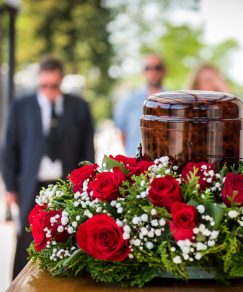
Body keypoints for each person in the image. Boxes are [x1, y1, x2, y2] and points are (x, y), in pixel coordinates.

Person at [3, 56, 95, 278]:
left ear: (61, 82)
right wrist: (10, 187)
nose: (49, 91)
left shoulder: (79, 107)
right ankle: (20, 287)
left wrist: (87, 184)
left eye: (54, 86)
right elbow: (9, 149)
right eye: (44, 86)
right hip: (31, 185)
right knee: (27, 237)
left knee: (66, 235)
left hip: (65, 184)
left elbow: (87, 150)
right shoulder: (21, 108)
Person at [113, 53, 166, 156]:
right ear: (143, 72)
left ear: (164, 71)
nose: (153, 72)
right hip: (136, 163)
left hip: (165, 164)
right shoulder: (129, 101)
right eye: (148, 68)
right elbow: (122, 133)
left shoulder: (173, 102)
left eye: (157, 68)